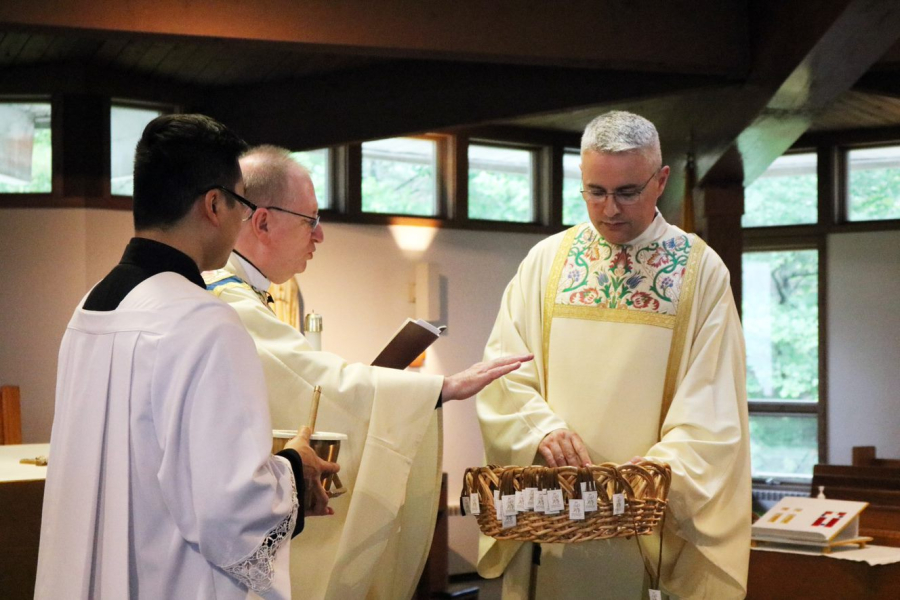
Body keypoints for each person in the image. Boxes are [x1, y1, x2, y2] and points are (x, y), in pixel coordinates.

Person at [202, 145, 532, 599]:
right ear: (262, 221)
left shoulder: (233, 292)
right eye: (310, 221)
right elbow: (316, 381)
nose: (318, 237)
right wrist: (441, 388)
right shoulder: (228, 302)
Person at [35, 115, 338, 600]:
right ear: (215, 204)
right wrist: (293, 468)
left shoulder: (92, 304)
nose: (243, 219)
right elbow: (232, 514)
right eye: (241, 204)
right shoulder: (203, 320)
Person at [476, 111, 751, 599]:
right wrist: (542, 429)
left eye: (627, 192)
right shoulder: (548, 261)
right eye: (595, 192)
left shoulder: (699, 272)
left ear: (661, 180)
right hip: (552, 520)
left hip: (643, 529)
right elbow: (503, 373)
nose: (609, 210)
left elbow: (713, 408)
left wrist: (646, 480)